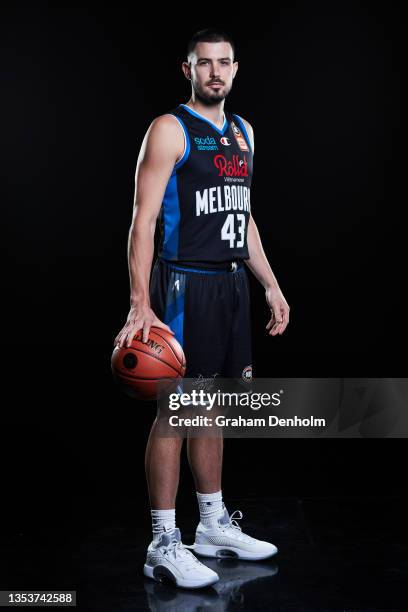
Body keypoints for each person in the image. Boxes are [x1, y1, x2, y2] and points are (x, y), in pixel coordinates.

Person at [114, 28, 290, 589]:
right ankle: (163, 540)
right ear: (186, 69)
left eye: (224, 63)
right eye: (203, 63)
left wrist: (270, 284)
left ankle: (211, 525)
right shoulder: (169, 130)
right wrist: (141, 303)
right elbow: (142, 220)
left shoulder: (243, 133)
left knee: (212, 408)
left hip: (232, 285)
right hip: (185, 285)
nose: (215, 72)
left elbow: (244, 215)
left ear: (235, 69)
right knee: (177, 411)